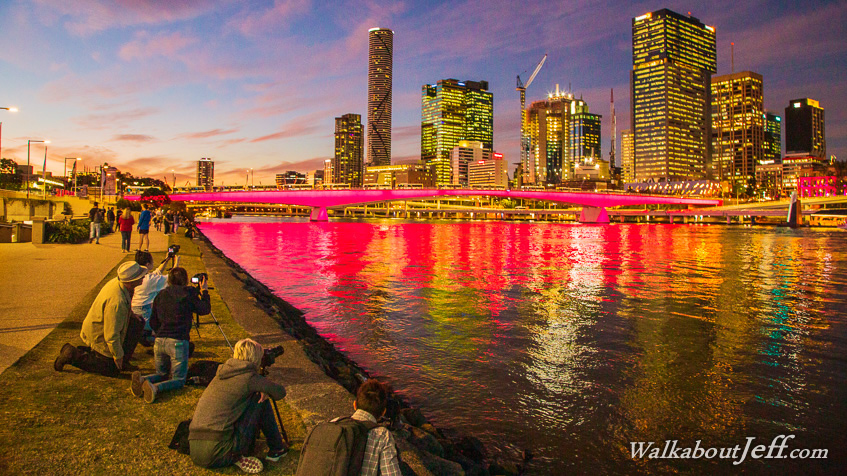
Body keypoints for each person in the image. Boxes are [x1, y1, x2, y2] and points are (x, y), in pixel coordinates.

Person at [189, 338, 288, 473]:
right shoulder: (249, 378)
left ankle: (234, 456)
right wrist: (264, 389)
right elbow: (280, 393)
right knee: (260, 399)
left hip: (195, 449)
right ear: (256, 357)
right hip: (218, 452)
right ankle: (277, 449)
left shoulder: (222, 373)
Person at [53, 261, 147, 377]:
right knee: (110, 369)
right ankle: (73, 354)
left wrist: (131, 314)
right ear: (131, 281)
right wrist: (118, 356)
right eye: (140, 276)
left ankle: (123, 361)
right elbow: (111, 335)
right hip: (99, 333)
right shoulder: (117, 302)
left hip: (104, 327)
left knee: (137, 322)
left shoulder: (119, 283)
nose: (143, 277)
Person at [131, 267, 210, 403]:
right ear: (185, 280)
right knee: (179, 380)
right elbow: (204, 309)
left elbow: (153, 320)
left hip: (160, 340)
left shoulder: (161, 294)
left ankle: (143, 379)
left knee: (161, 373)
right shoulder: (189, 294)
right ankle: (155, 389)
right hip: (178, 341)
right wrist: (204, 291)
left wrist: (159, 334)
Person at [131, 250, 174, 346]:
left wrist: (166, 260)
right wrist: (177, 263)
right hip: (144, 311)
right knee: (162, 334)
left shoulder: (138, 275)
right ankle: (145, 335)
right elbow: (172, 279)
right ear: (147, 264)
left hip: (135, 309)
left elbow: (156, 273)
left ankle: (144, 334)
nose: (153, 263)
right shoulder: (149, 280)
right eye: (152, 262)